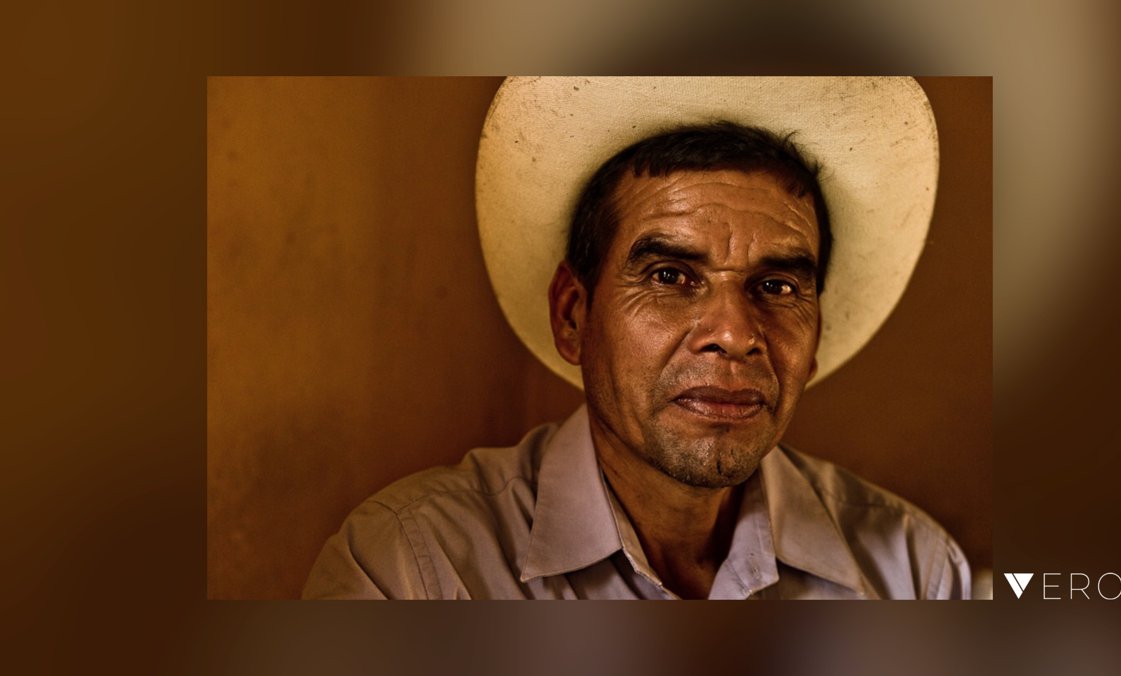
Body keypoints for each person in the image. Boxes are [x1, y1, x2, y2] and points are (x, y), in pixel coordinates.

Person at [302, 77, 971, 600]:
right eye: (672, 275)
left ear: (815, 336)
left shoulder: (915, 572)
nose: (736, 335)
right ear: (573, 315)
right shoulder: (414, 570)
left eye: (777, 287)